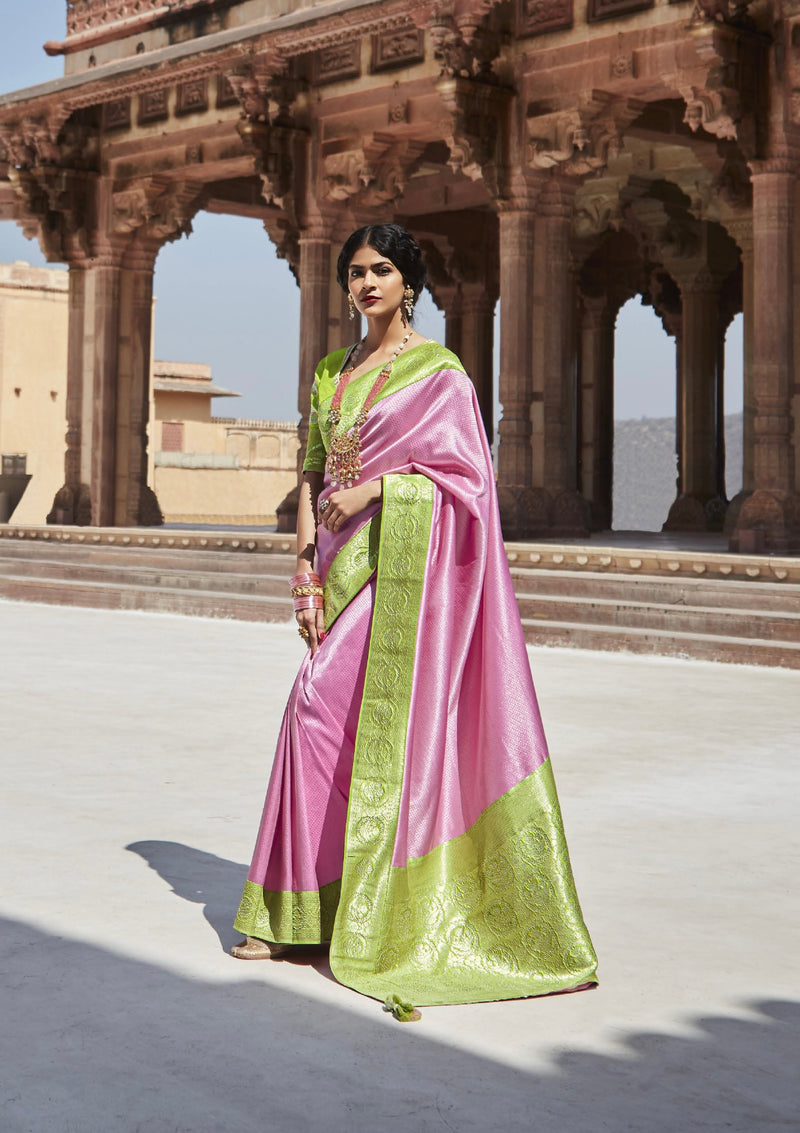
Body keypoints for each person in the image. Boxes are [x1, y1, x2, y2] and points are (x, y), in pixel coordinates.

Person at [231, 223, 597, 1014]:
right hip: (337, 572)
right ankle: (305, 909)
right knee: (336, 727)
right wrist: (302, 565)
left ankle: (365, 908)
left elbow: (467, 485)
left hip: (405, 580)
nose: (366, 284)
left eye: (382, 270)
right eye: (355, 272)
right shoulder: (333, 370)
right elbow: (312, 471)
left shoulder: (439, 376)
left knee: (313, 707)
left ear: (409, 283)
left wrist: (376, 493)